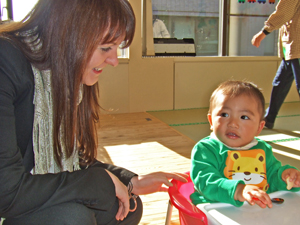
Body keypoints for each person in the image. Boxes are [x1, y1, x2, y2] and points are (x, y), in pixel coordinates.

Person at [0, 0, 188, 224]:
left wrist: (129, 180)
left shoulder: (64, 75)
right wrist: (99, 181)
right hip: (10, 203)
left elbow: (70, 159)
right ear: (68, 35)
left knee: (129, 206)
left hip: (26, 198)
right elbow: (7, 192)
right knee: (72, 217)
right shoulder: (6, 61)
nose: (114, 60)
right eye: (105, 48)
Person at [190, 80, 300, 209]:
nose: (233, 123)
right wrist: (239, 190)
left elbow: (272, 177)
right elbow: (206, 183)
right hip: (215, 211)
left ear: (259, 127)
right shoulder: (205, 149)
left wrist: (285, 176)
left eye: (244, 117)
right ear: (211, 121)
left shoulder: (263, 150)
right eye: (224, 114)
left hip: (256, 212)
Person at [251, 0, 300, 129]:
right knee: (280, 82)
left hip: (297, 46)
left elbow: (283, 13)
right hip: (291, 47)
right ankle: (269, 119)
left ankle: (269, 118)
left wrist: (263, 32)